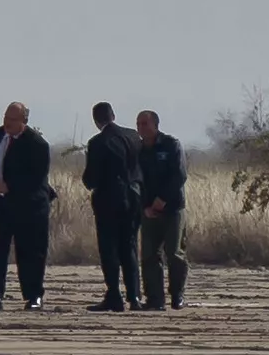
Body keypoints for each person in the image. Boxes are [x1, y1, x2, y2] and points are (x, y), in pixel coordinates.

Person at [0, 102, 53, 312]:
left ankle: (34, 296)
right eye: (6, 118)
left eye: (13, 120)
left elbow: (36, 178)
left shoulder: (37, 144)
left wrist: (10, 186)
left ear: (24, 121)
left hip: (30, 207)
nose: (8, 123)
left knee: (30, 253)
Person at [80, 101, 144, 312]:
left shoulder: (98, 142)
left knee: (109, 249)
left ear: (96, 120)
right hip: (135, 196)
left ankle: (114, 295)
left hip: (109, 199)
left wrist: (89, 182)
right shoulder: (133, 136)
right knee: (130, 246)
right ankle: (134, 296)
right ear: (113, 115)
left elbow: (92, 177)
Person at [136, 109, 189, 310]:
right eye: (138, 124)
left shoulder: (171, 145)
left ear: (155, 125)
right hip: (149, 211)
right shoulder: (138, 150)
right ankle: (155, 299)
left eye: (145, 123)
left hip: (173, 209)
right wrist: (145, 206)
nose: (141, 128)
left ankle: (177, 294)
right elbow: (136, 180)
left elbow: (179, 175)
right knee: (149, 255)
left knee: (175, 254)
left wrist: (163, 199)